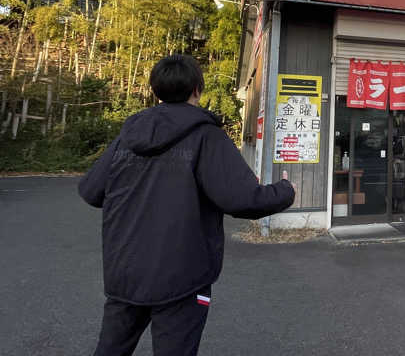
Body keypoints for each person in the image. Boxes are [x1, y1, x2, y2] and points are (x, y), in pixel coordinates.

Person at [78, 54, 295, 356]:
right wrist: (286, 190)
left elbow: (90, 190)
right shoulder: (206, 136)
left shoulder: (128, 136)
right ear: (197, 89)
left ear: (155, 91)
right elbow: (241, 199)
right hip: (181, 276)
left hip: (125, 270)